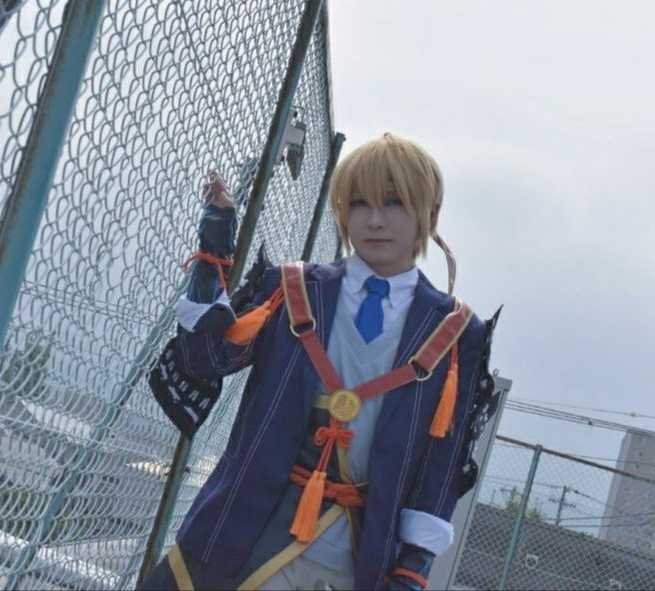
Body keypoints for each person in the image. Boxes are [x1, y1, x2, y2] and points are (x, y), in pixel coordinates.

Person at [142, 132, 501, 590]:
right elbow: (205, 359)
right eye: (360, 203)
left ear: (429, 213)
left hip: (357, 562)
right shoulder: (291, 289)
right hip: (239, 535)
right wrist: (214, 243)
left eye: (394, 202)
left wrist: (413, 571)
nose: (375, 220)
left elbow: (441, 462)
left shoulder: (456, 333)